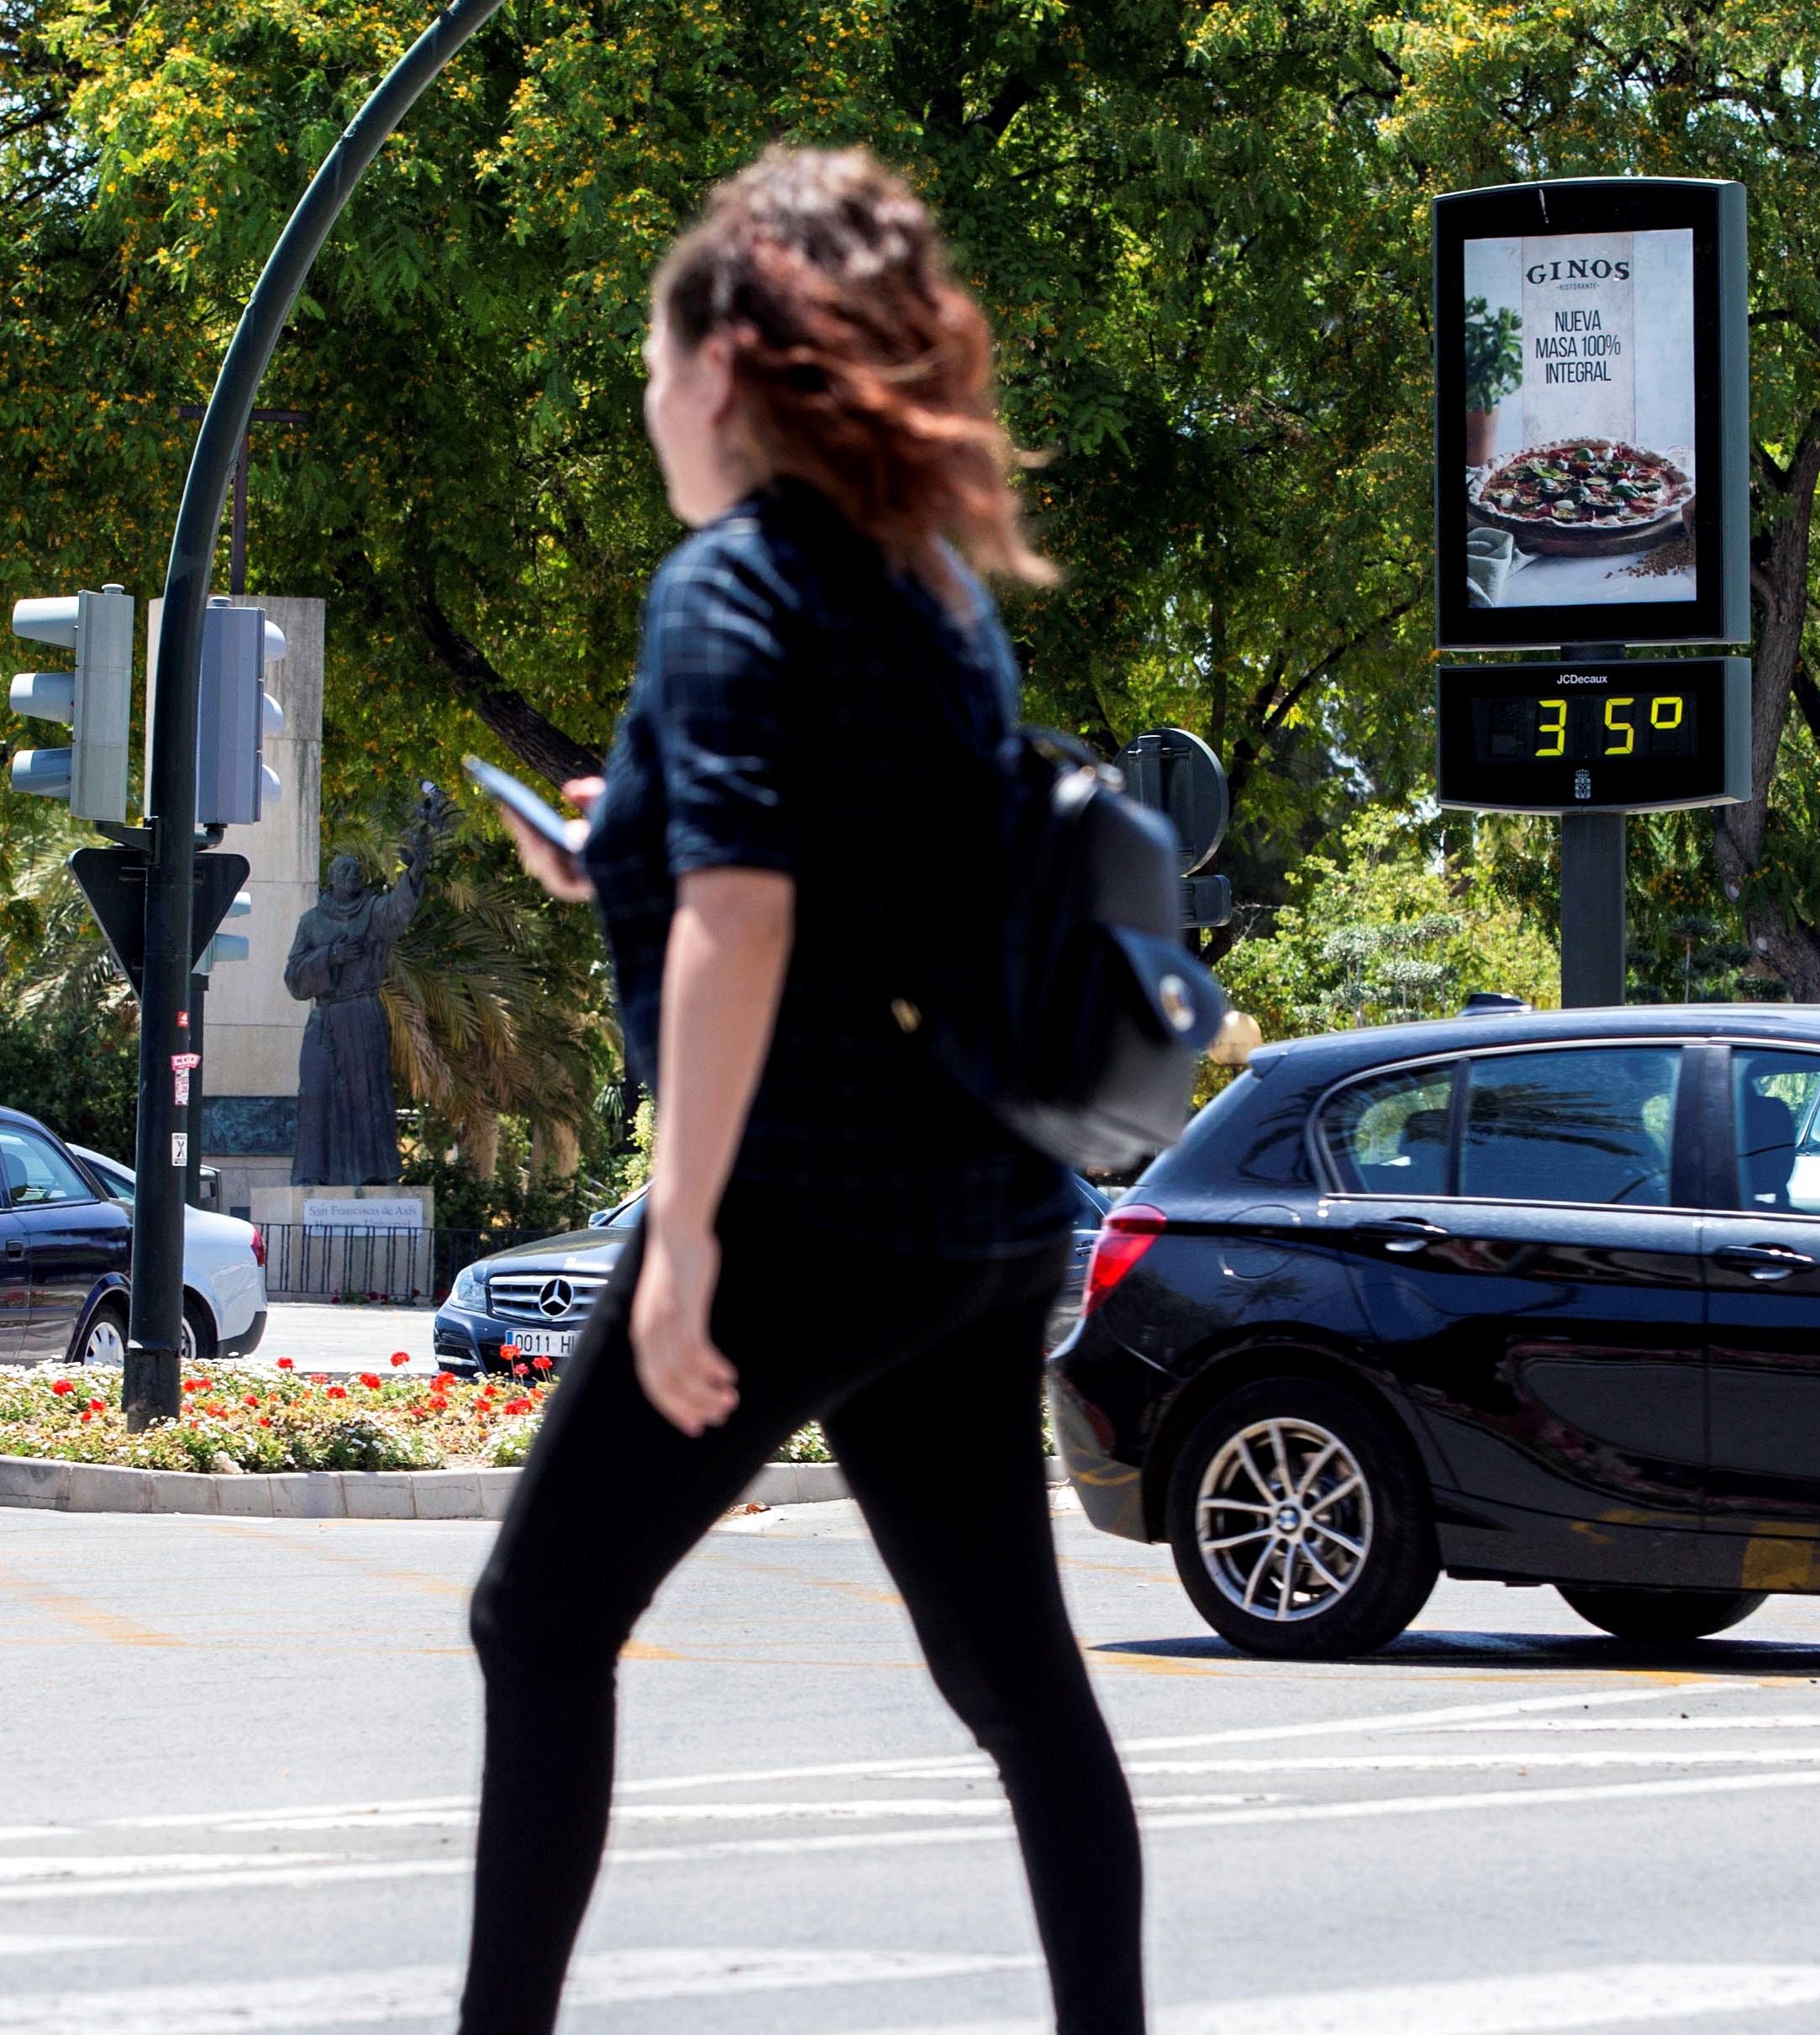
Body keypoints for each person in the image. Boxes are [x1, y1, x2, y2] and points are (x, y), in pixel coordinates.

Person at [466, 147, 1144, 2035]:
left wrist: (679, 1235)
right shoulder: (931, 588)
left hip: (805, 1209)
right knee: (1016, 1682)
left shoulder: (727, 585)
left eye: (651, 369)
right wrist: (628, 839)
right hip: (980, 1220)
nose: (649, 406)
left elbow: (750, 917)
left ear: (720, 375)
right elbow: (844, 858)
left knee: (539, 1616)